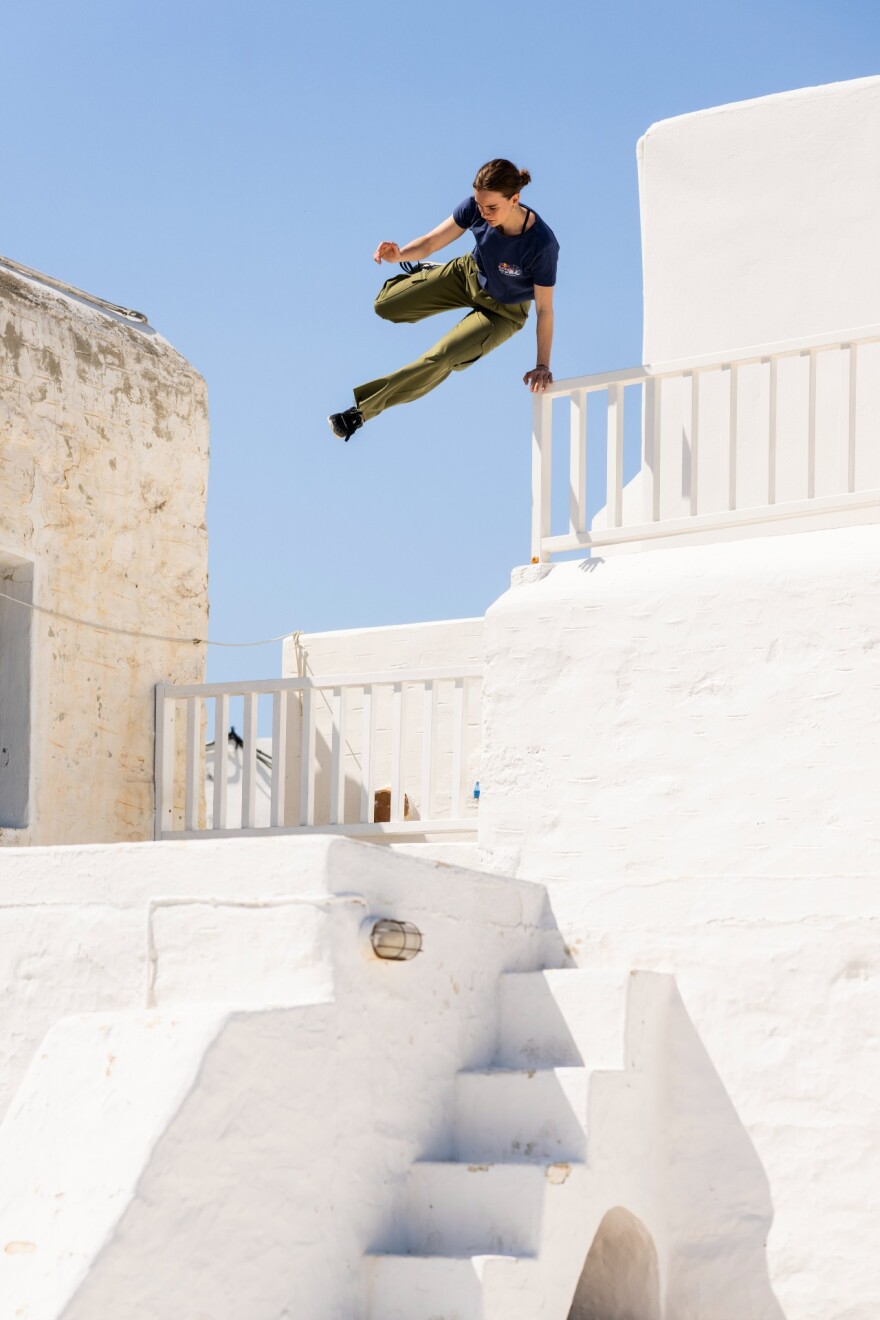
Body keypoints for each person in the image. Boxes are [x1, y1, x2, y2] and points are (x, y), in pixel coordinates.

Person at [328, 158, 560, 441]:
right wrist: (399, 255)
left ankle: (361, 412)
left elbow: (545, 310)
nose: (484, 213)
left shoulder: (541, 245)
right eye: (479, 204)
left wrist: (542, 365)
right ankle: (429, 273)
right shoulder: (474, 209)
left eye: (492, 207)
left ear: (515, 200)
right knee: (385, 306)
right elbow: (429, 243)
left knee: (441, 358)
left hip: (502, 313)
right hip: (466, 275)